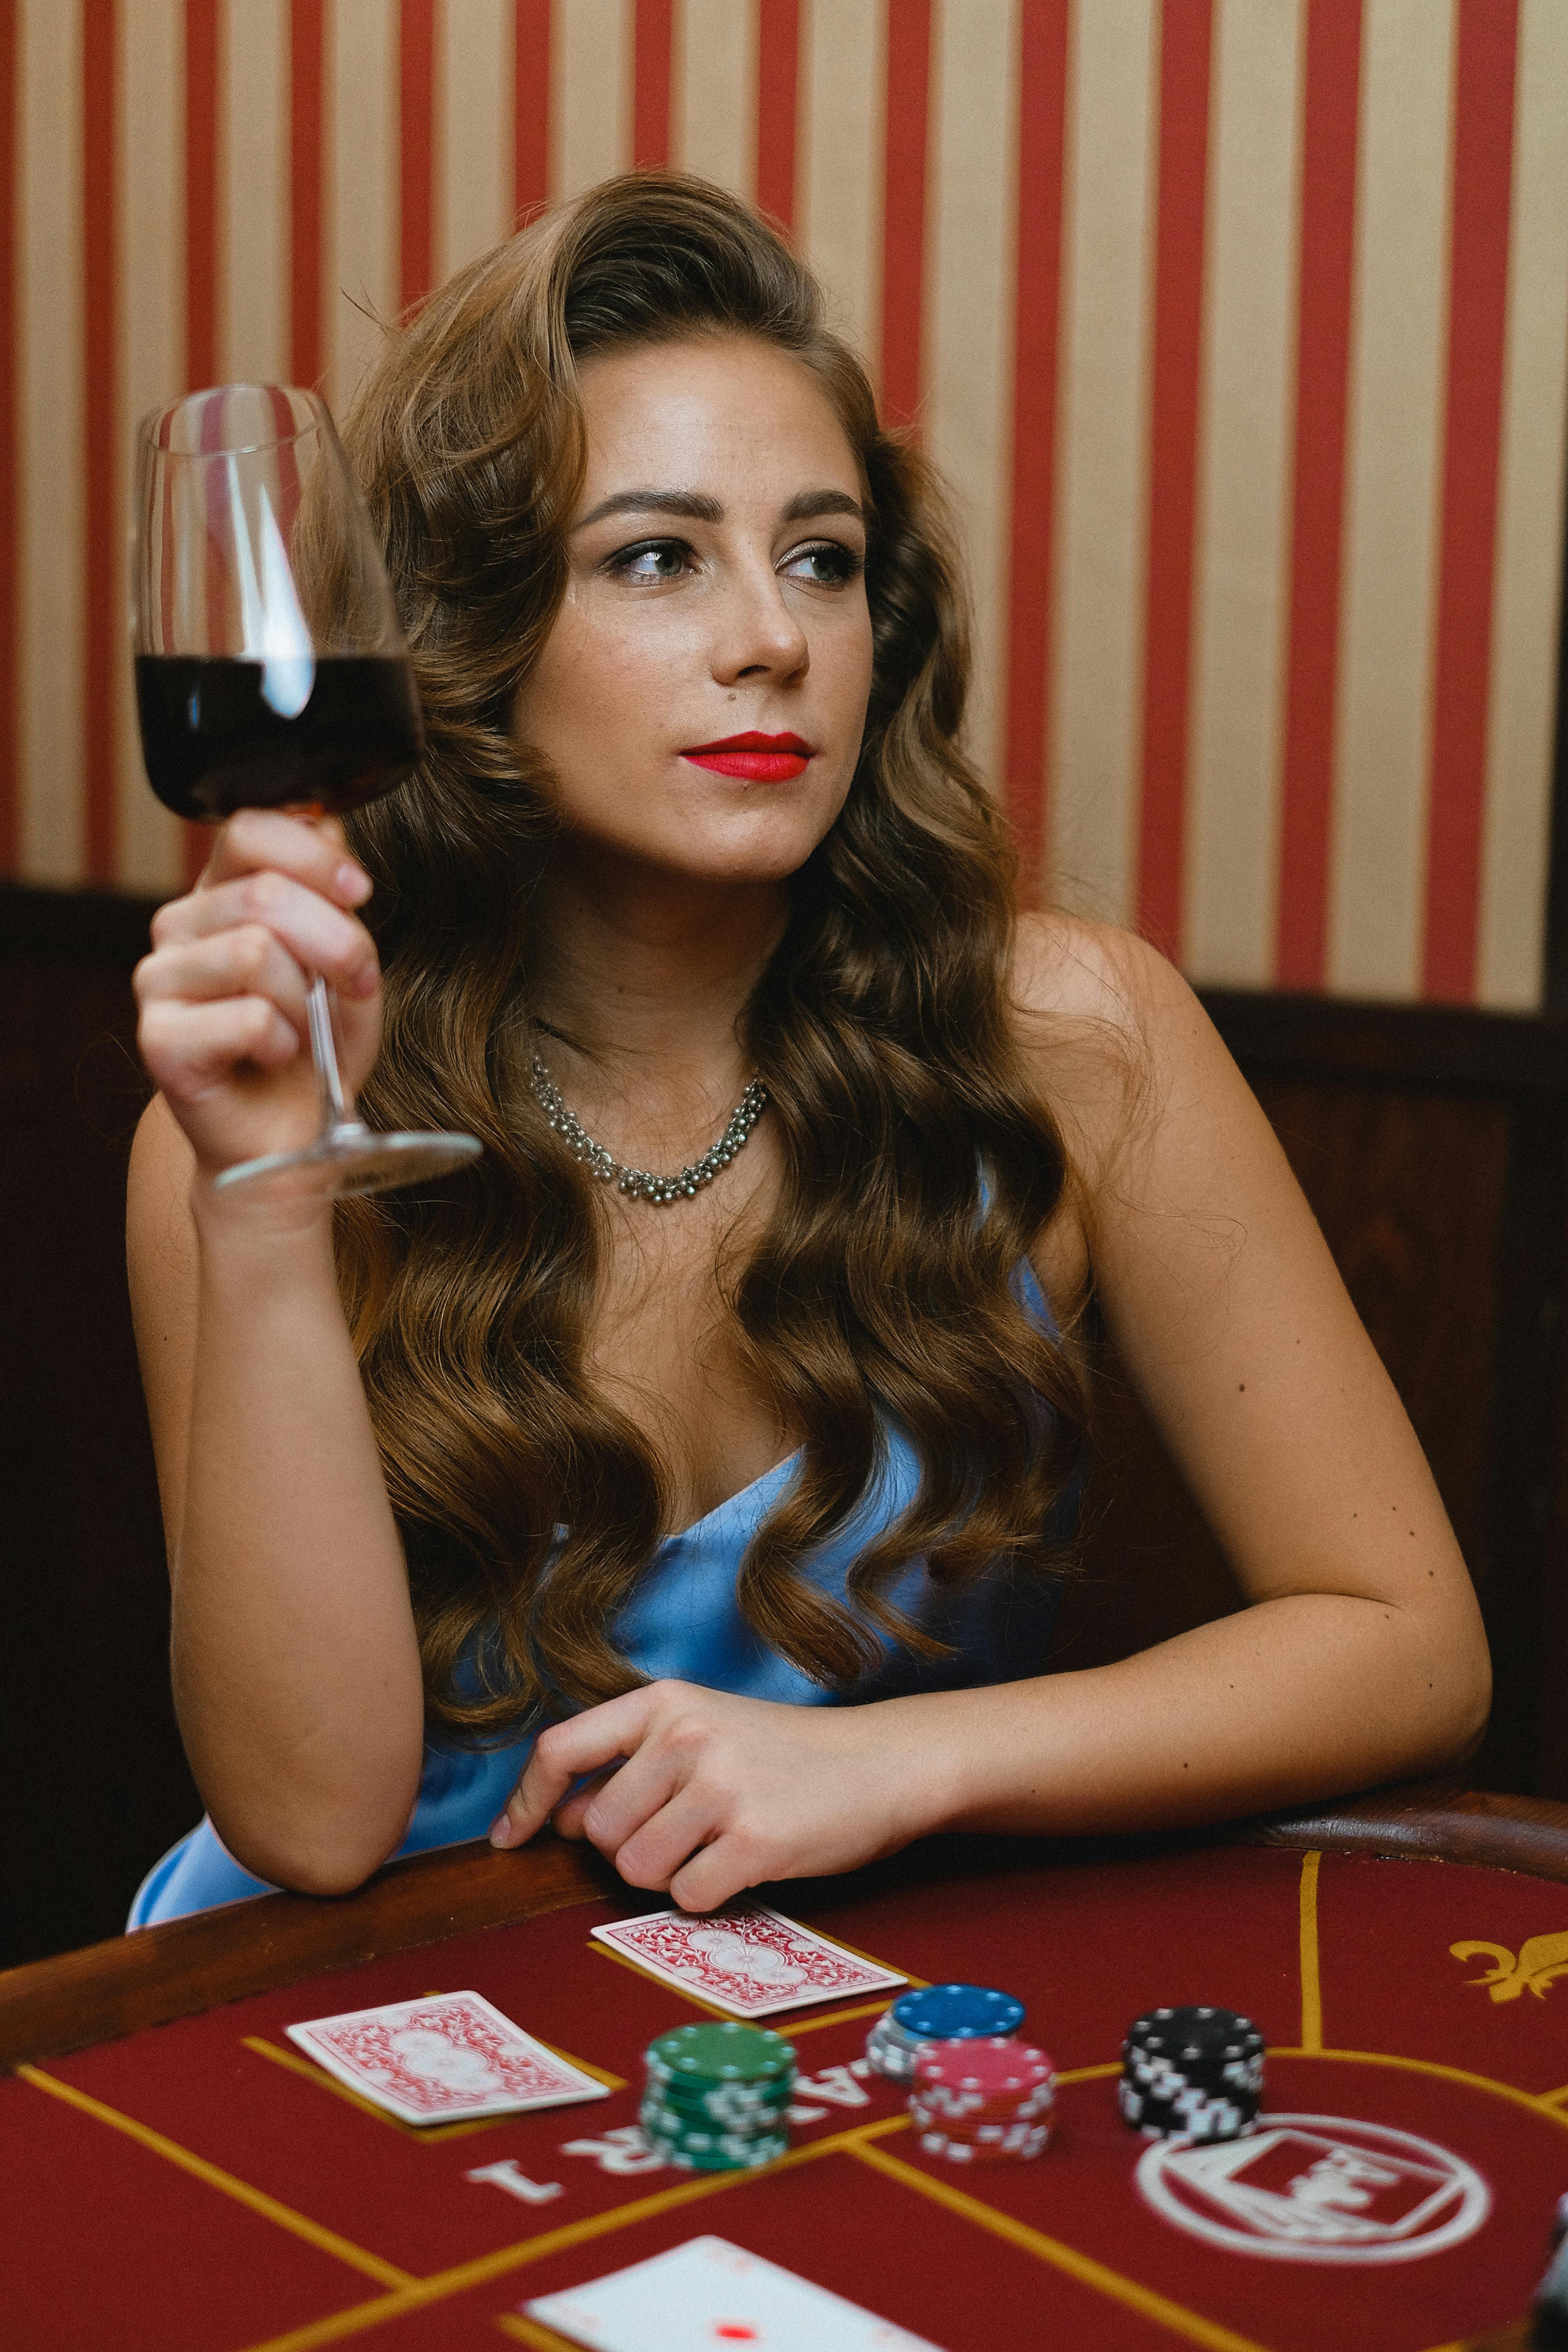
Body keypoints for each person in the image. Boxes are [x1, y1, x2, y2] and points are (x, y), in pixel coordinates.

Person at [125, 174, 1489, 1929]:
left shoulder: (1072, 1039)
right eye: (654, 557)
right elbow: (311, 1827)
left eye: (822, 559)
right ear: (473, 640)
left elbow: (1410, 1645)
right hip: (342, 2025)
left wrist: (901, 1760)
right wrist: (254, 1205)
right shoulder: (260, 1123)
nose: (772, 638)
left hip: (816, 2014)